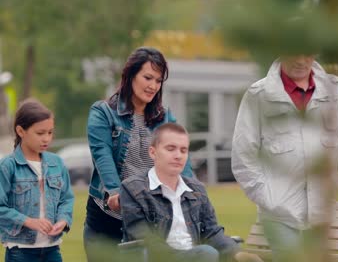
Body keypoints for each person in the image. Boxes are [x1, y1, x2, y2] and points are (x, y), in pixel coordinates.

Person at [231, 55, 338, 260]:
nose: (300, 61)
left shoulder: (336, 91)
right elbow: (243, 156)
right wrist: (267, 197)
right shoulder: (257, 96)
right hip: (280, 217)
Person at [84, 47, 194, 259]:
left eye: (159, 80)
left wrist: (192, 190)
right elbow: (102, 154)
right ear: (130, 75)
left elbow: (179, 158)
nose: (153, 86)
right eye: (147, 77)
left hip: (147, 217)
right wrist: (116, 191)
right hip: (107, 219)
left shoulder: (165, 118)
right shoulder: (103, 113)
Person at [121, 123, 262, 262]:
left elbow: (212, 231)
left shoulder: (196, 189)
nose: (178, 156)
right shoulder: (133, 189)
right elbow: (144, 239)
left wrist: (236, 253)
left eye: (183, 150)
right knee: (207, 253)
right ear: (153, 152)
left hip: (197, 256)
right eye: (171, 149)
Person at [0, 99, 74, 262]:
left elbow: (66, 199)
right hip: (20, 252)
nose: (46, 139)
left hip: (52, 249)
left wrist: (63, 220)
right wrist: (28, 221)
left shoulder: (57, 163)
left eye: (50, 132)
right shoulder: (8, 166)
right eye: (40, 133)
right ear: (21, 131)